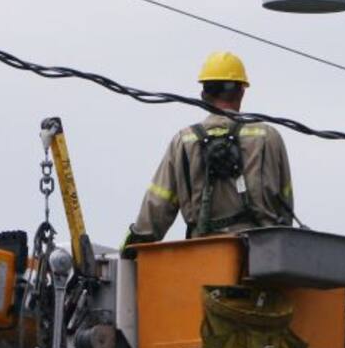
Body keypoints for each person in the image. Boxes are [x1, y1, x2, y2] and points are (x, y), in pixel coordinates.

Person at [124, 51, 294, 245]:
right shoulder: (268, 137)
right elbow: (285, 204)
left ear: (203, 95)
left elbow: (157, 206)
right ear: (242, 91)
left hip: (204, 257)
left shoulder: (184, 141)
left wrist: (133, 244)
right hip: (262, 255)